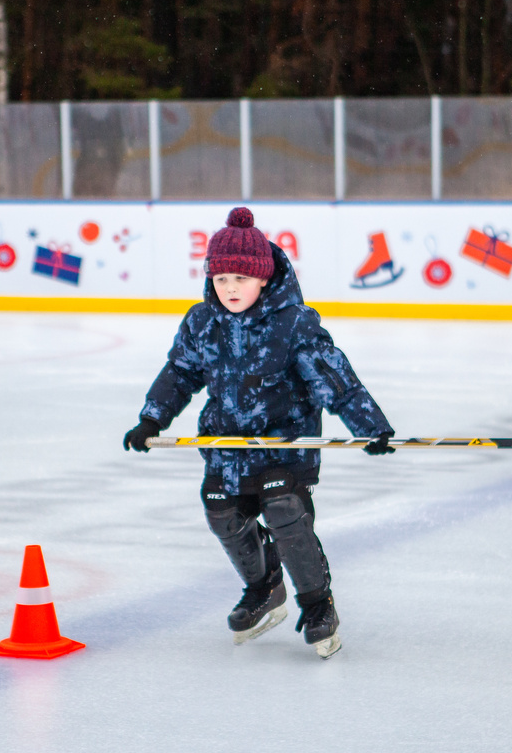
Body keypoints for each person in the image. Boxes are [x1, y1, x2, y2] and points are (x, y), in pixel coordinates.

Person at [123, 206, 395, 659]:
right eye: (221, 278)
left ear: (263, 279)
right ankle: (264, 587)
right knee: (220, 512)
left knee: (284, 510)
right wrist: (153, 418)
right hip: (227, 448)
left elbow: (333, 379)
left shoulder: (293, 324)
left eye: (241, 279)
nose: (230, 288)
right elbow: (181, 373)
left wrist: (371, 428)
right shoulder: (201, 322)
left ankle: (316, 603)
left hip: (283, 446)